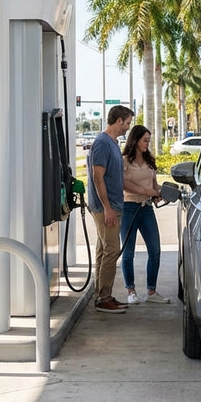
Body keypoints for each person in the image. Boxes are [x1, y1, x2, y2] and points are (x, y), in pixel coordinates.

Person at [87, 104, 135, 313]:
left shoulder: (113, 143)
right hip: (105, 207)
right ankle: (103, 298)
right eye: (127, 123)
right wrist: (106, 207)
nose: (127, 128)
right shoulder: (102, 144)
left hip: (113, 205)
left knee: (103, 250)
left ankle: (101, 295)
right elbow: (97, 177)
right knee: (112, 250)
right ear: (118, 121)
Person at [120, 125, 169, 305]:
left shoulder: (150, 160)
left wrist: (158, 193)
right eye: (145, 140)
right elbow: (123, 183)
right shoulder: (124, 160)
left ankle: (151, 291)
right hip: (128, 208)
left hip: (146, 208)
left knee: (155, 251)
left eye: (148, 140)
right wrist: (145, 190)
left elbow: (154, 184)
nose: (147, 144)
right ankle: (131, 291)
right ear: (135, 140)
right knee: (128, 252)